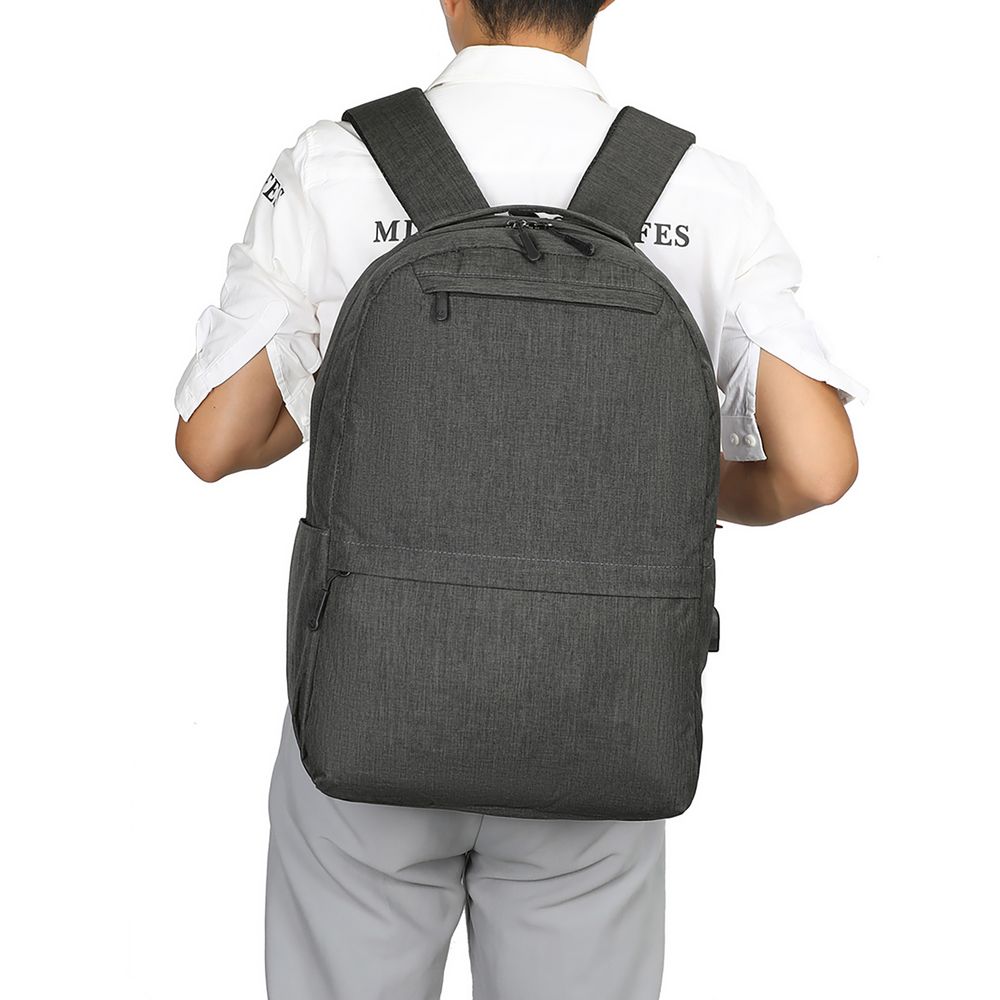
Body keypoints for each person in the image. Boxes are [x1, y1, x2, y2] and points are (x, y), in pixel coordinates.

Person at [173, 2, 868, 997]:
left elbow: (215, 442)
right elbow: (817, 467)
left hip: (369, 703)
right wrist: (633, 483)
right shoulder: (700, 187)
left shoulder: (337, 165)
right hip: (599, 716)